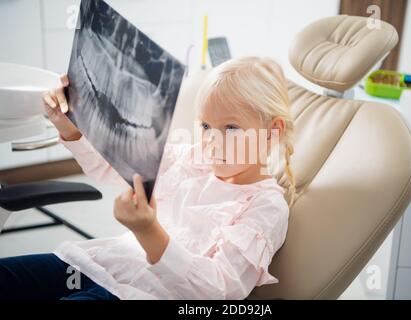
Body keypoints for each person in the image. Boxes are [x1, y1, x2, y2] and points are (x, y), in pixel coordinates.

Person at [0, 56, 297, 300]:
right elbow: (110, 167)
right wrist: (70, 128)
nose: (212, 141)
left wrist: (148, 231)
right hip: (99, 265)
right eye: (206, 125)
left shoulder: (264, 207)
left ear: (273, 132)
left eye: (231, 128)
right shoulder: (191, 157)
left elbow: (219, 290)